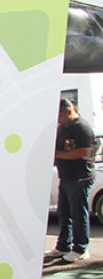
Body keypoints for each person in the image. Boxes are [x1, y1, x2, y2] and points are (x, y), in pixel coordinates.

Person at [46, 98, 96, 263]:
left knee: (78, 213)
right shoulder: (63, 128)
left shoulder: (81, 128)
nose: (58, 120)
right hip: (66, 176)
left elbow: (84, 151)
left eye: (59, 116)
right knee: (64, 213)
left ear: (69, 111)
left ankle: (81, 247)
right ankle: (63, 246)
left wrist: (58, 155)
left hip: (80, 177)